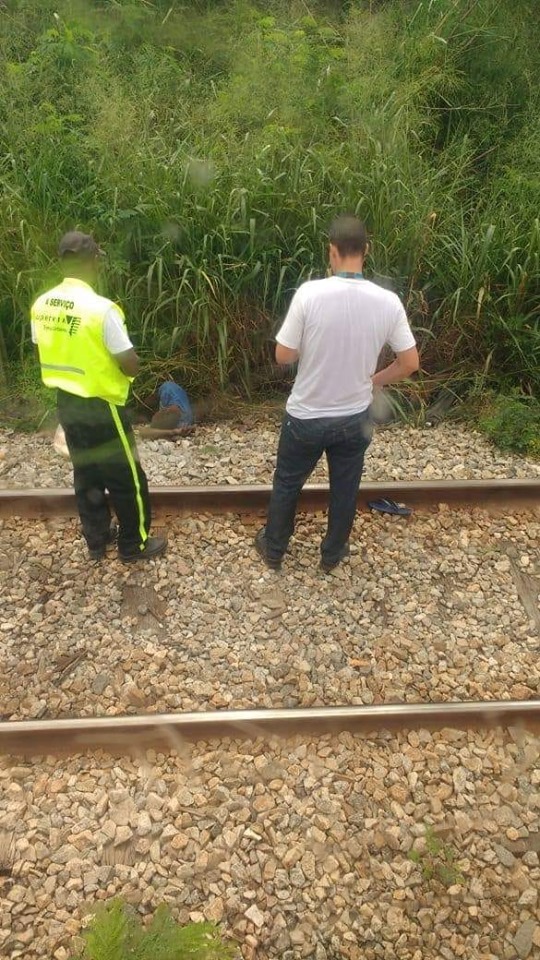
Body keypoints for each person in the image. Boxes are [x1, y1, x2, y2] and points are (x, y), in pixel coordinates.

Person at [255, 214, 419, 573]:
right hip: (353, 417)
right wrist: (375, 380)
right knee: (345, 486)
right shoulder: (388, 301)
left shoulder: (309, 294)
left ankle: (274, 549)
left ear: (331, 251)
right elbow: (409, 362)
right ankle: (332, 554)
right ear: (367, 251)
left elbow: (283, 356)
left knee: (287, 483)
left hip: (305, 416)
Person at [31, 231, 167, 563]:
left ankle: (96, 539)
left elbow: (45, 346)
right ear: (94, 261)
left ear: (62, 261)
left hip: (66, 403)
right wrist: (131, 369)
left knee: (86, 471)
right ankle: (133, 545)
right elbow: (128, 362)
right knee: (126, 476)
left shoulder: (42, 305)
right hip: (103, 404)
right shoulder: (101, 310)